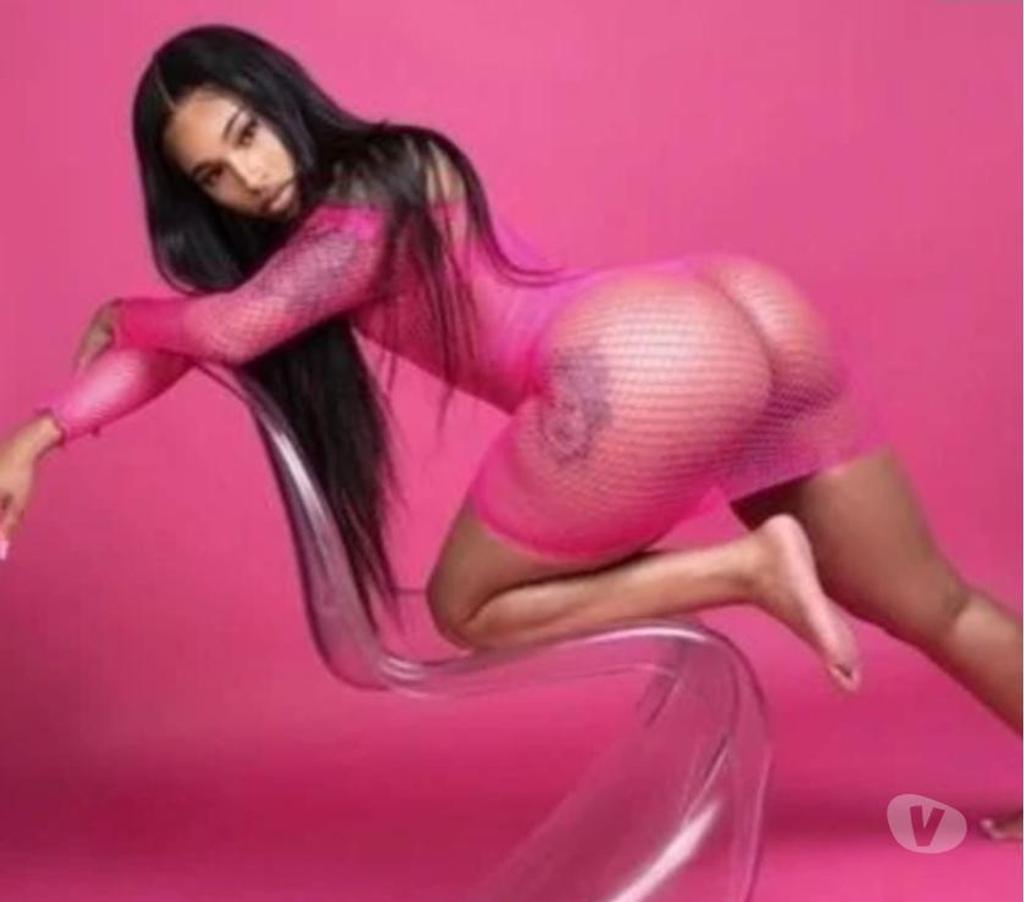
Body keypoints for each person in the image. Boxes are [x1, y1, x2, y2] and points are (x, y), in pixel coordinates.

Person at [0, 23, 1019, 840]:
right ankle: (758, 569)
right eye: (213, 176)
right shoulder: (388, 180)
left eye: (247, 134)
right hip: (737, 304)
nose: (248, 177)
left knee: (467, 604)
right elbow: (205, 337)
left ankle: (748, 568)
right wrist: (42, 433)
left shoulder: (361, 202)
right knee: (936, 600)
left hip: (631, 361)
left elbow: (224, 329)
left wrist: (125, 310)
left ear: (282, 99)